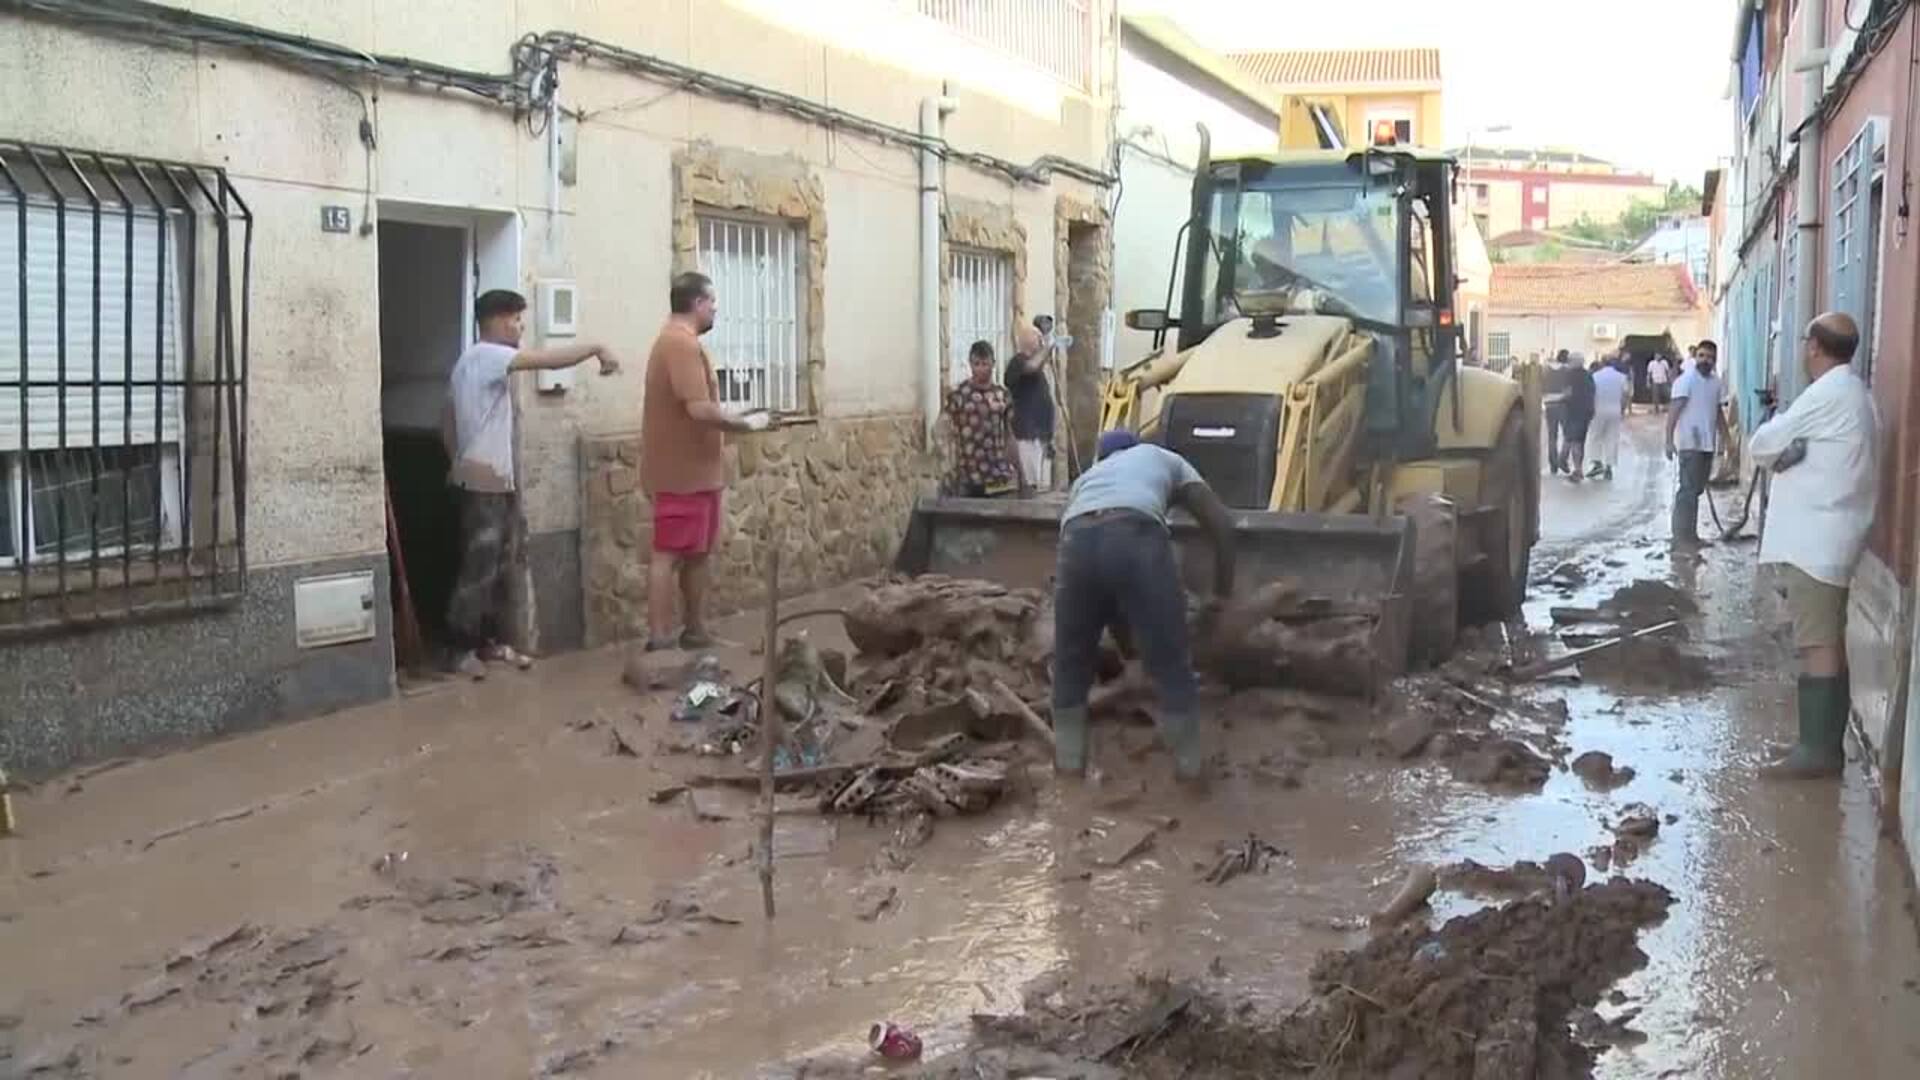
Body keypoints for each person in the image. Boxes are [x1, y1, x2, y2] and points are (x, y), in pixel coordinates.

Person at [445, 289, 619, 677]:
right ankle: (458, 651)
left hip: (483, 477)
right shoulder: (489, 356)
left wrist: (455, 461)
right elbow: (545, 359)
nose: (521, 327)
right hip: (483, 483)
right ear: (498, 320)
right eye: (517, 319)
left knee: (494, 565)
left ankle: (486, 644)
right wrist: (595, 347)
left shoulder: (466, 362)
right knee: (479, 568)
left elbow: (446, 417)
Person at [1051, 430, 1236, 786]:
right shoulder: (1164, 458)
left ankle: (1068, 777)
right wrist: (1220, 596)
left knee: (1070, 666)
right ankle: (1190, 776)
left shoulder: (1087, 480)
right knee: (1172, 664)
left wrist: (1130, 651)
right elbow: (1222, 526)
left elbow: (1106, 583)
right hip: (1136, 535)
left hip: (1074, 544)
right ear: (1136, 449)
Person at [1751, 313, 1879, 778]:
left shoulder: (1826, 393)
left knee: (1818, 642)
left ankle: (1817, 752)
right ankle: (1820, 742)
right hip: (1832, 535)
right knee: (1824, 639)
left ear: (1813, 349)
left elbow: (1763, 442)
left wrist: (1779, 454)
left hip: (1817, 541)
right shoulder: (1856, 393)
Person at [641, 271, 773, 652]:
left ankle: (695, 630)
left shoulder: (684, 342)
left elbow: (703, 405)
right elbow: (698, 409)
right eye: (712, 302)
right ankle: (660, 637)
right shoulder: (678, 344)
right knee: (667, 554)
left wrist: (739, 411)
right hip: (679, 472)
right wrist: (747, 423)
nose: (716, 309)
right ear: (698, 303)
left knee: (698, 554)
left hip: (697, 472)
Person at [1665, 339, 1726, 546]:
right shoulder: (1685, 381)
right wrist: (1668, 440)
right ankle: (1682, 536)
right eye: (1701, 356)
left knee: (1697, 490)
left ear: (1715, 360)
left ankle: (1689, 534)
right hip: (1690, 443)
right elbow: (1674, 411)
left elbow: (1718, 412)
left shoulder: (1716, 383)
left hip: (1708, 444)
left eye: (1709, 357)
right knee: (1688, 491)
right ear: (1695, 357)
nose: (1705, 360)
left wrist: (1727, 440)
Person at [944, 340, 1024, 497]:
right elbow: (945, 433)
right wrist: (947, 470)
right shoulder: (959, 395)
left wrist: (1021, 473)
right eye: (976, 364)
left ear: (993, 364)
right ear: (970, 364)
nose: (980, 369)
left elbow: (1010, 436)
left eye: (985, 364)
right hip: (967, 476)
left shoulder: (1002, 396)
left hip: (997, 476)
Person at [1003, 323, 1055, 495]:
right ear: (1029, 341)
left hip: (1039, 434)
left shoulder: (1037, 366)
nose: (1041, 342)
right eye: (1038, 338)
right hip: (1026, 434)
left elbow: (1037, 365)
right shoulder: (1018, 362)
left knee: (1040, 486)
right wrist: (1047, 347)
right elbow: (1031, 367)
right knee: (1029, 483)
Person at [1585, 355, 1631, 480]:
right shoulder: (1621, 377)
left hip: (1598, 409)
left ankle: (1597, 462)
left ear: (1602, 363)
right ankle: (1609, 466)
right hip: (1615, 410)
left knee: (1595, 437)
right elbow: (1626, 395)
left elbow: (1590, 393)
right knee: (1612, 438)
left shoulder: (1595, 376)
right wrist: (1622, 409)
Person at [1562, 354, 1596, 483]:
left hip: (1574, 411)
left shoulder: (1570, 375)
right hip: (1587, 412)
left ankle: (1578, 470)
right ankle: (1576, 466)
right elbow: (1593, 392)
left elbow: (1567, 393)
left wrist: (1561, 399)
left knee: (1574, 441)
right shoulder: (1588, 375)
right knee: (1580, 441)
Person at [1542, 350, 1574, 475]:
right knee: (1568, 434)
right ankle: (1562, 458)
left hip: (1549, 404)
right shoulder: (1567, 371)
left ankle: (1553, 465)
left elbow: (1541, 387)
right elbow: (1570, 389)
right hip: (1563, 404)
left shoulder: (1546, 370)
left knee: (1552, 436)